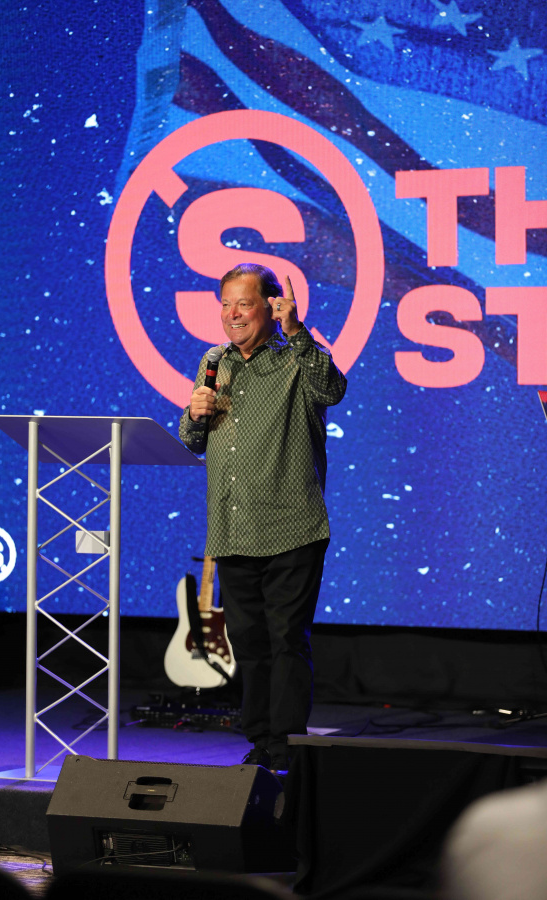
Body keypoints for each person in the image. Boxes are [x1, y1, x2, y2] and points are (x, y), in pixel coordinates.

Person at [179, 262, 347, 776]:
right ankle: (259, 742)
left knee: (285, 640)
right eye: (225, 304)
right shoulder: (215, 361)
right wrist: (194, 413)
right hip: (232, 530)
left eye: (244, 304)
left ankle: (285, 746)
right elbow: (191, 441)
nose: (232, 314)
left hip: (291, 527)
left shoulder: (297, 357)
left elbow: (333, 389)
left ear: (272, 307)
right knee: (249, 646)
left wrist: (297, 332)